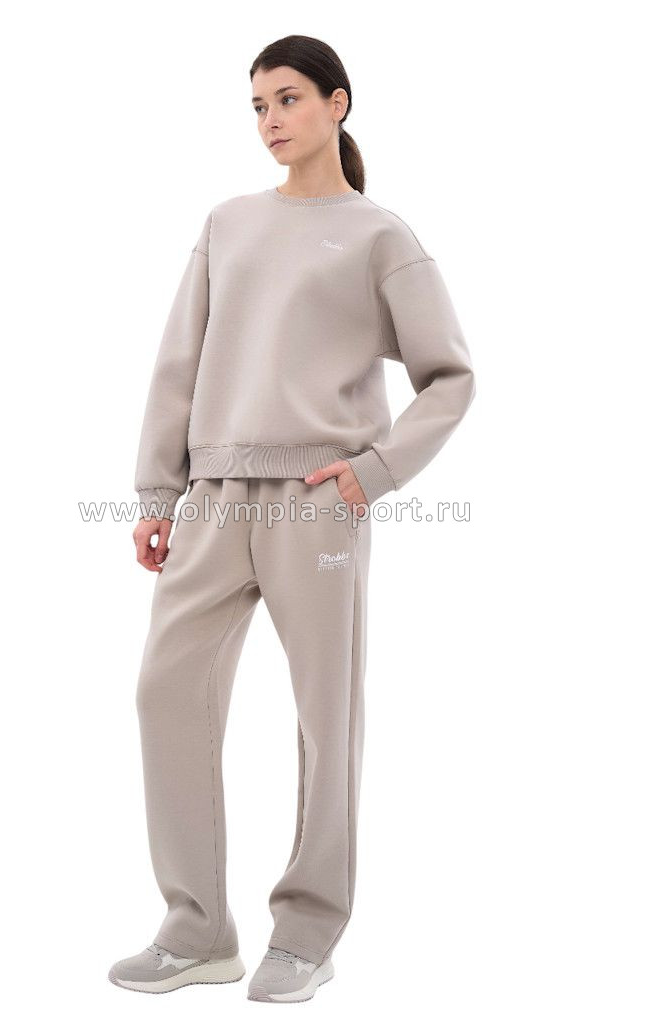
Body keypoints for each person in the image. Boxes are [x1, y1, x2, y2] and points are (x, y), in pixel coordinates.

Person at [108, 34, 476, 1003]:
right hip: (213, 498)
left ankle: (307, 933)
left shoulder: (379, 236)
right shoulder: (227, 223)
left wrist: (375, 471)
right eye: (258, 105)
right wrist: (158, 495)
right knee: (165, 692)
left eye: (288, 99)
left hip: (318, 502)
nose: (270, 120)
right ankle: (198, 929)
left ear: (337, 103)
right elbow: (177, 364)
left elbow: (450, 376)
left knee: (324, 715)